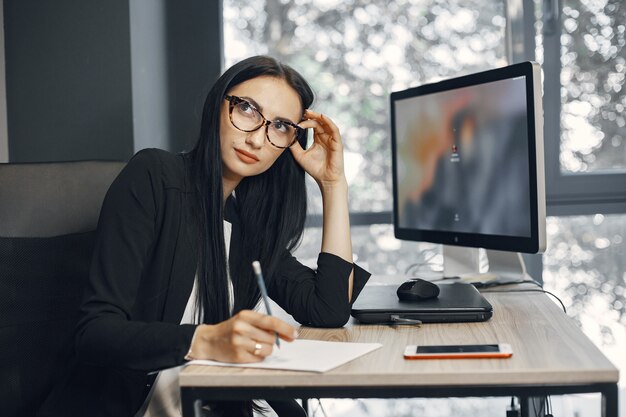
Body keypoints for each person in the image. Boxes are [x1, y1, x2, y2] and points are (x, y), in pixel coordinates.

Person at [38, 56, 370, 417]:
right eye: (246, 109)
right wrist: (206, 340)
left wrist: (333, 184)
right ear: (218, 104)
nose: (257, 138)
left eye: (279, 126)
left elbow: (329, 309)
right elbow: (95, 333)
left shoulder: (247, 224)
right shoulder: (155, 178)